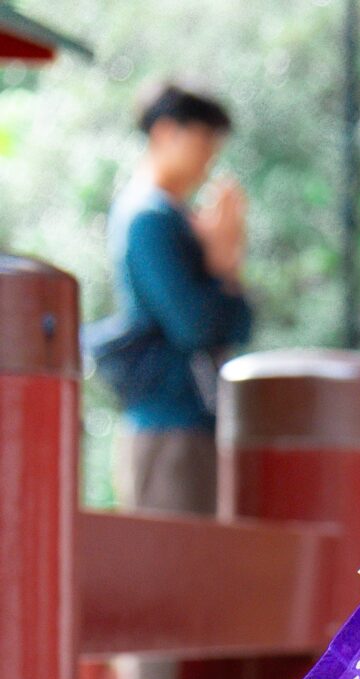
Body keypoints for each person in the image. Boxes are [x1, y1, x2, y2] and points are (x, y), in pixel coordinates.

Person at [89, 84, 253, 515]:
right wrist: (221, 264)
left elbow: (240, 322)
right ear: (165, 132)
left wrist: (224, 262)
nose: (210, 157)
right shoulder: (148, 217)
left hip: (191, 423)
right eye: (203, 141)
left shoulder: (176, 216)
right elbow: (194, 325)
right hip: (168, 428)